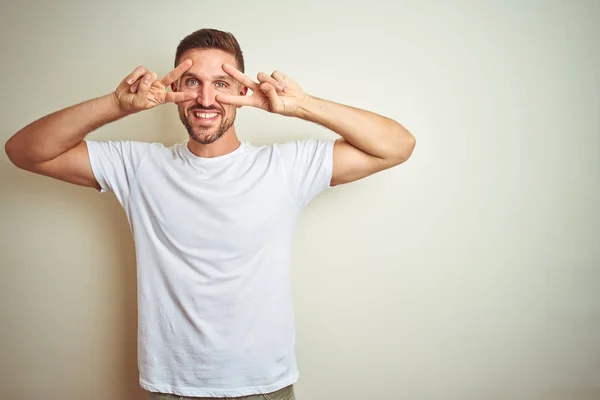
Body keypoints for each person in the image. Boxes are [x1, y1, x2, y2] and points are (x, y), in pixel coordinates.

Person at [4, 29, 415, 399]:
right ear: (172, 89)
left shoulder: (285, 167)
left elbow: (396, 146)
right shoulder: (137, 166)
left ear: (242, 89)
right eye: (192, 83)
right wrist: (116, 105)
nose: (205, 99)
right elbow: (24, 151)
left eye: (221, 84)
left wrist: (301, 106)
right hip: (172, 386)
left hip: (264, 386)